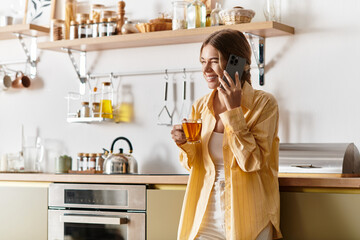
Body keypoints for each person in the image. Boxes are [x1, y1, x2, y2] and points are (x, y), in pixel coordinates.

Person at [171, 29, 282, 240]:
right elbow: (192, 163)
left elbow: (253, 161)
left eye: (214, 61)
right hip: (206, 213)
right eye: (203, 61)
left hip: (250, 215)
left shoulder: (264, 104)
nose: (205, 69)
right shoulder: (201, 106)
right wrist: (184, 143)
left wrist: (234, 113)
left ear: (236, 62)